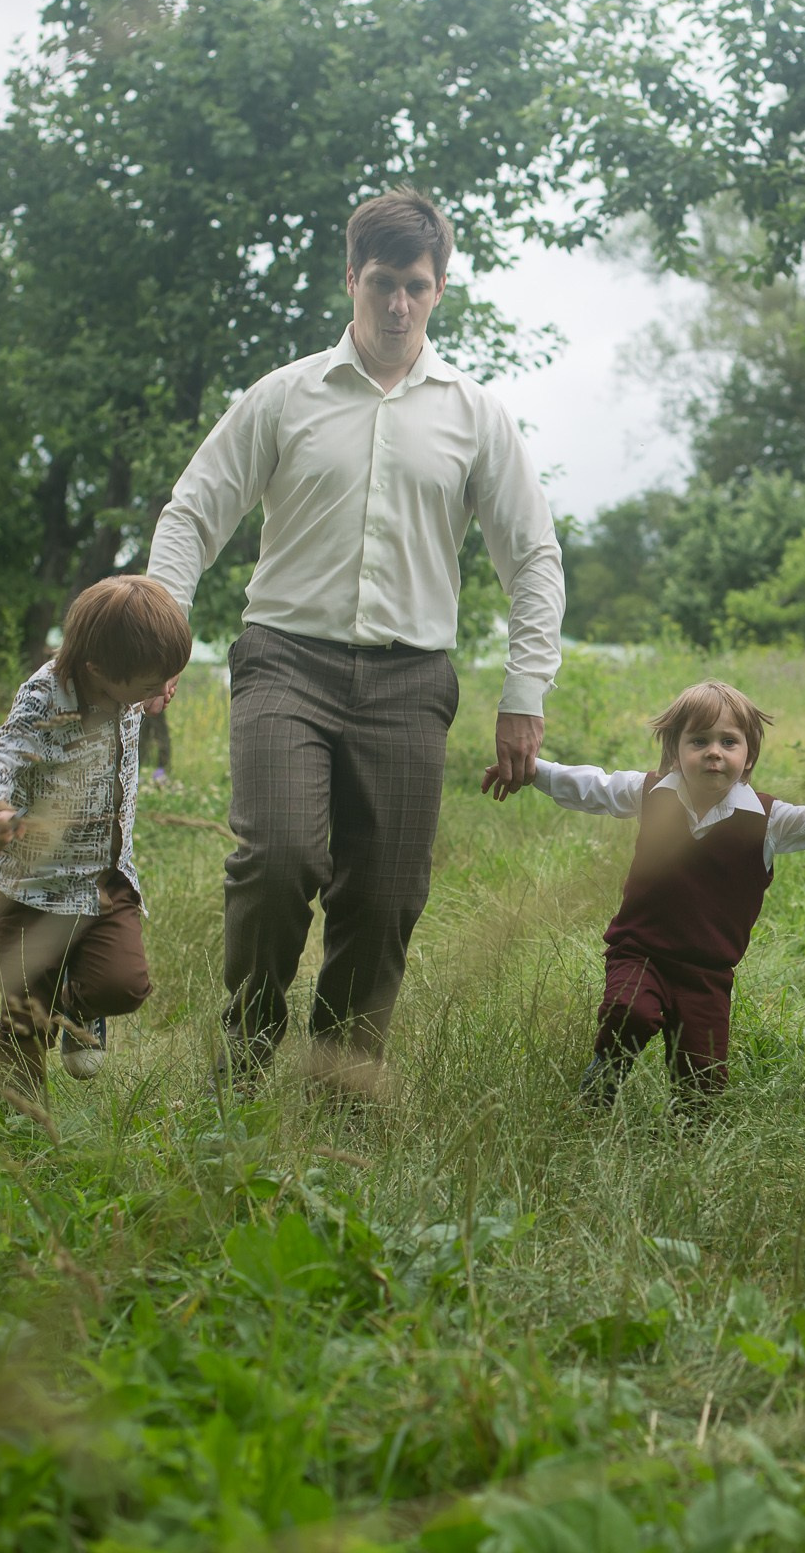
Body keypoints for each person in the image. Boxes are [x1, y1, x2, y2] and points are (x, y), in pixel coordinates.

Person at [146, 188, 566, 1097]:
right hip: (284, 663)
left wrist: (524, 692)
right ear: (351, 279)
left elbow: (532, 556)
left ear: (439, 289)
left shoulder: (474, 415)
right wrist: (160, 633)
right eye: (382, 283)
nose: (397, 305)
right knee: (278, 858)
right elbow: (192, 513)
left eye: (416, 285)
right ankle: (244, 1058)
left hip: (410, 681)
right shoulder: (285, 396)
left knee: (385, 895)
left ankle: (339, 1080)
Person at [489, 681, 805, 1110]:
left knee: (701, 1086)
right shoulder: (651, 794)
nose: (713, 752)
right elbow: (593, 786)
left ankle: (688, 1132)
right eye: (699, 741)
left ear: (749, 756)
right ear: (675, 752)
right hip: (639, 952)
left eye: (728, 742)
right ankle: (603, 1079)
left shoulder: (767, 820)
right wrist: (531, 770)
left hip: (707, 972)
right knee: (630, 1012)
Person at [0, 574, 192, 1097]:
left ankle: (79, 1003)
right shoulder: (45, 697)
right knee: (25, 1019)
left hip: (103, 880)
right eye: (150, 684)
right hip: (33, 890)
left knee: (125, 986)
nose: (160, 692)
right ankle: (20, 1122)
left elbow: (149, 670)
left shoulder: (127, 676)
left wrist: (157, 681)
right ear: (98, 672)